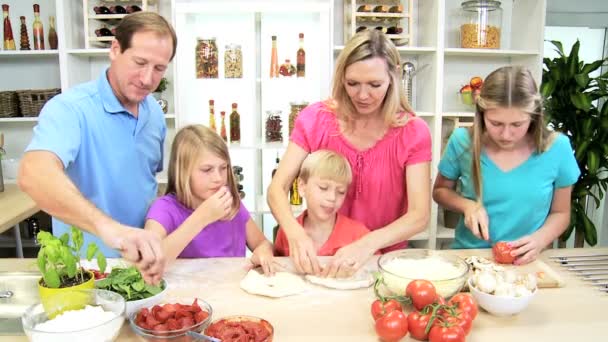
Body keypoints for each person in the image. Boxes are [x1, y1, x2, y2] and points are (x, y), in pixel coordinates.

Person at [18, 12, 177, 284]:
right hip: (83, 270)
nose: (148, 78)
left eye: (159, 68)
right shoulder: (70, 109)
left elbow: (145, 186)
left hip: (140, 271)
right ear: (115, 50)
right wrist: (111, 230)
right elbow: (32, 173)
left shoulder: (155, 114)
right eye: (139, 62)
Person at [267, 30, 432, 278]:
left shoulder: (413, 132)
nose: (363, 96)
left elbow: (419, 216)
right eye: (352, 83)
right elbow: (276, 189)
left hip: (381, 263)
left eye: (374, 85)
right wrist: (295, 232)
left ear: (393, 77)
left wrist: (366, 244)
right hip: (320, 260)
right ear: (341, 78)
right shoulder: (315, 120)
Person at [433, 66, 580, 265]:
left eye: (517, 125)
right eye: (496, 123)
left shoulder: (557, 148)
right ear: (482, 113)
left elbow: (561, 213)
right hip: (470, 258)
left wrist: (540, 240)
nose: (506, 135)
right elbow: (440, 191)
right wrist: (467, 205)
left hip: (527, 260)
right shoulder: (462, 141)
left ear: (534, 115)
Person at [144, 125, 278, 275]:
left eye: (223, 168)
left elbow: (262, 243)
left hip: (230, 291)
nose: (218, 178)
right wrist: (201, 218)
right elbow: (150, 263)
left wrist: (263, 252)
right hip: (185, 296)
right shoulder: (164, 209)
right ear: (182, 171)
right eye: (207, 170)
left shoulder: (232, 204)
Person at [274, 150, 374, 257]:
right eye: (323, 188)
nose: (332, 198)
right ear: (302, 186)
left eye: (341, 192)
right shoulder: (286, 233)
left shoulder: (359, 234)